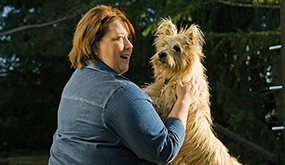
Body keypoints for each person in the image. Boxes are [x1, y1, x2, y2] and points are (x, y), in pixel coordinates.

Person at [48, 4, 200, 165]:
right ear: (94, 46)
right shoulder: (121, 93)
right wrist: (184, 100)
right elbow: (164, 149)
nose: (130, 45)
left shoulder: (76, 80)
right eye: (119, 38)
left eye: (129, 38)